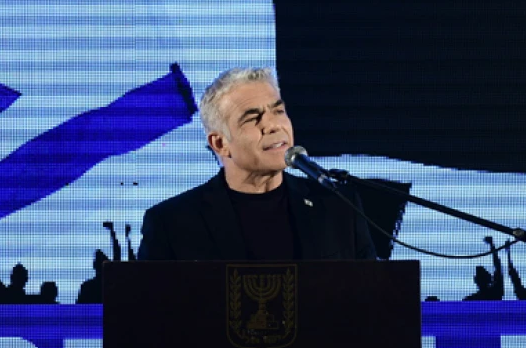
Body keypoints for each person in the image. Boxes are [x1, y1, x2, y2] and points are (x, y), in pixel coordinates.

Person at [137, 67, 375, 261]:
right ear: (220, 143)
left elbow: (369, 298)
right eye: (252, 118)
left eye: (278, 111)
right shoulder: (172, 223)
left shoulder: (339, 207)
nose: (273, 125)